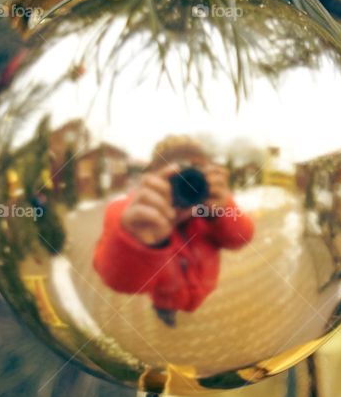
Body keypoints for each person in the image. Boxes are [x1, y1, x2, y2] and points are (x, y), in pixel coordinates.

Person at [93, 137, 254, 326]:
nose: (187, 184)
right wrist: (138, 241)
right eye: (176, 174)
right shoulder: (134, 215)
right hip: (166, 297)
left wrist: (222, 212)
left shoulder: (209, 210)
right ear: (153, 178)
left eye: (195, 172)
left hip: (203, 292)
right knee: (166, 312)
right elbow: (118, 279)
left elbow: (241, 238)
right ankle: (164, 314)